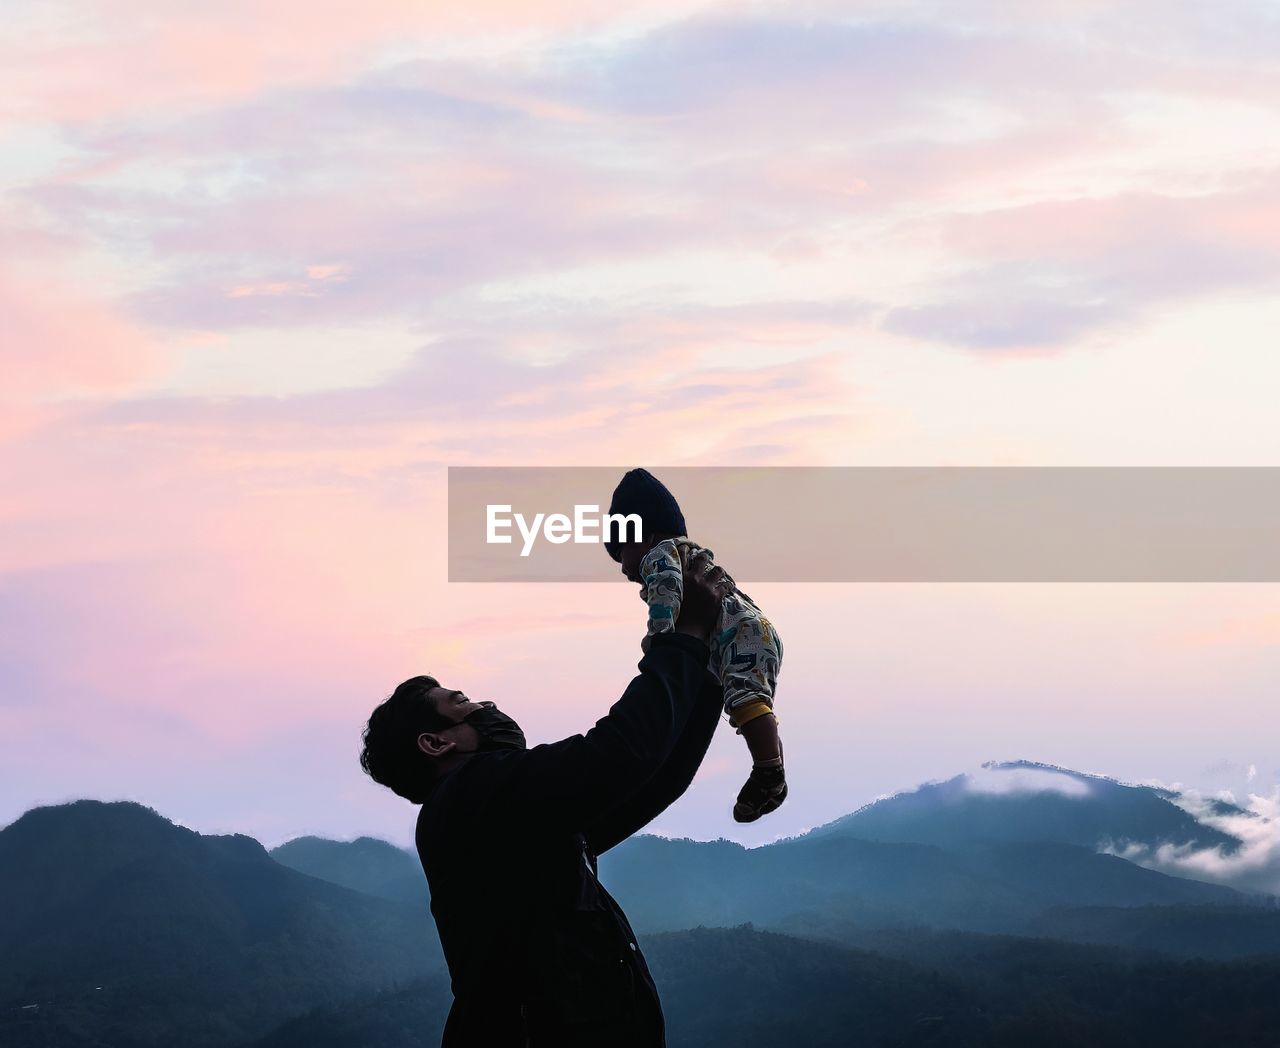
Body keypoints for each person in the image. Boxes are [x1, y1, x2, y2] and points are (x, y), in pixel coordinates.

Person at [358, 549, 733, 1047]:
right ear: (436, 742)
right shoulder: (471, 796)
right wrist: (684, 640)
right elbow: (618, 754)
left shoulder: (509, 822)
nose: (486, 705)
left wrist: (706, 677)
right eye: (462, 702)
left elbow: (653, 779)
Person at [604, 468, 787, 823]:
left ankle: (770, 771)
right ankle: (770, 766)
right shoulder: (689, 556)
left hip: (739, 633)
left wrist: (662, 643)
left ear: (644, 534)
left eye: (621, 551)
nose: (623, 568)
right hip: (750, 629)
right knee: (749, 700)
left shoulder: (660, 557)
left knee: (747, 700)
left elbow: (667, 595)